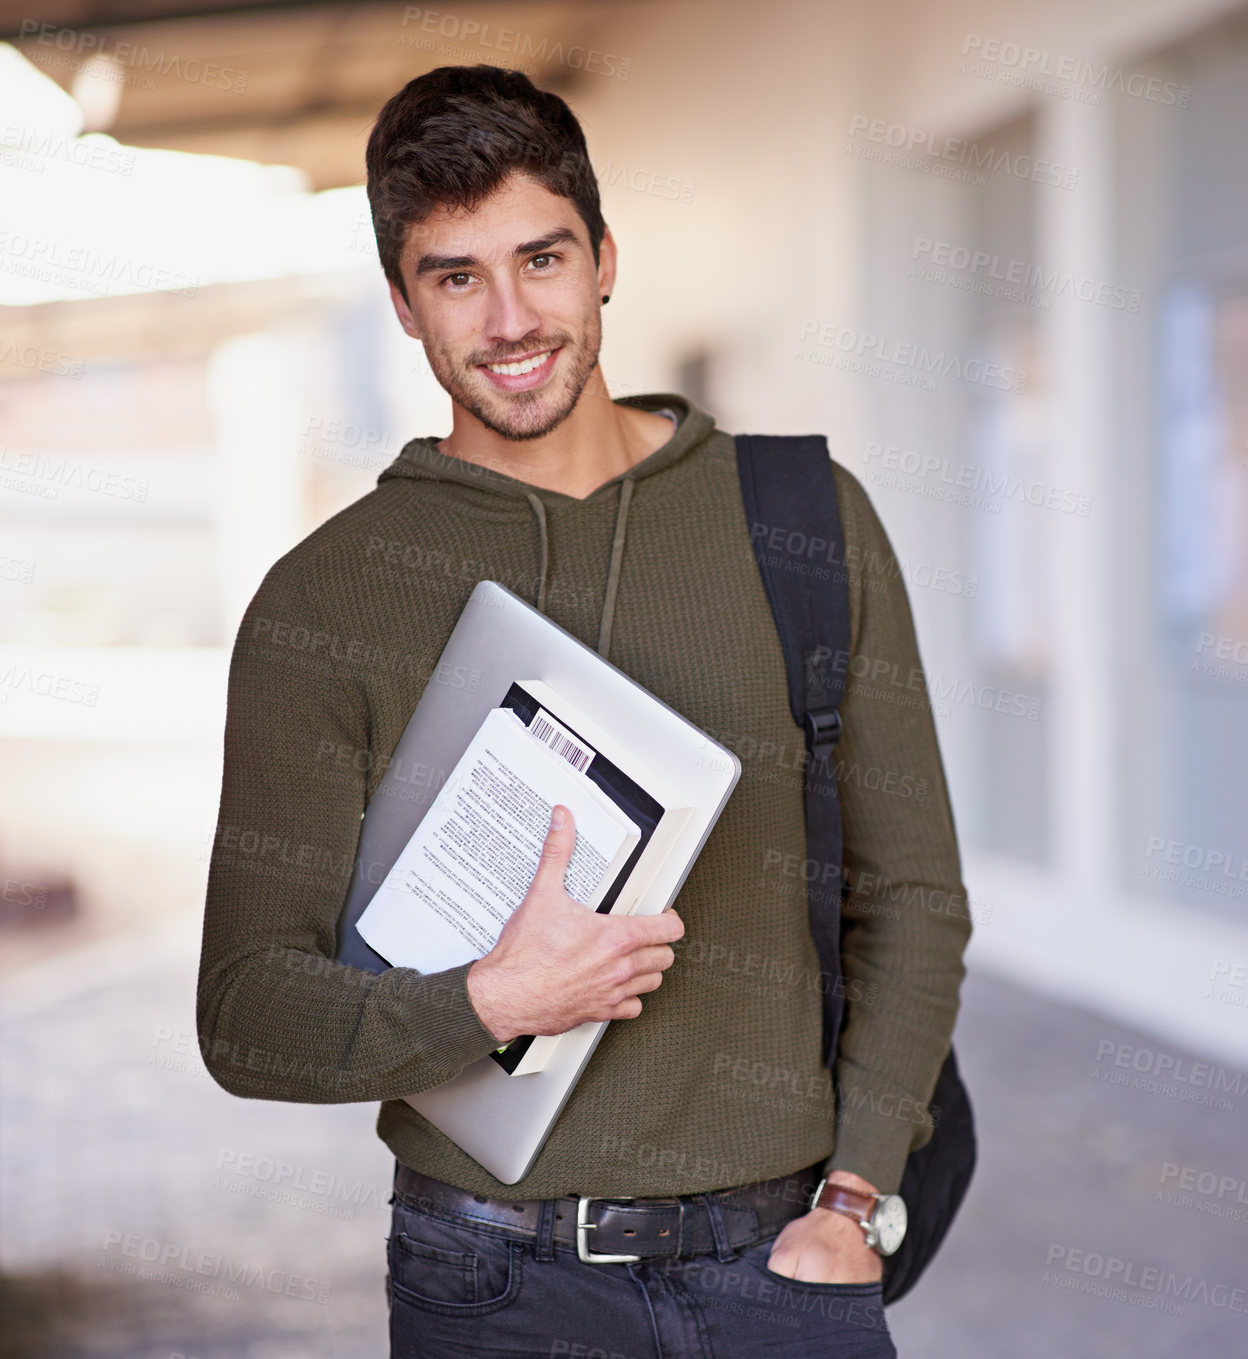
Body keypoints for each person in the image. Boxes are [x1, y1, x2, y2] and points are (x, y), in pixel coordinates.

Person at [196, 63, 971, 1358]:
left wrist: (853, 1200)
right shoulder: (320, 600)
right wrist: (488, 1001)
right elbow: (244, 1013)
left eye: (540, 258)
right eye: (456, 277)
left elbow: (912, 900)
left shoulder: (801, 521)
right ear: (401, 303)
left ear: (605, 258)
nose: (509, 318)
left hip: (781, 1260)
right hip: (488, 1282)